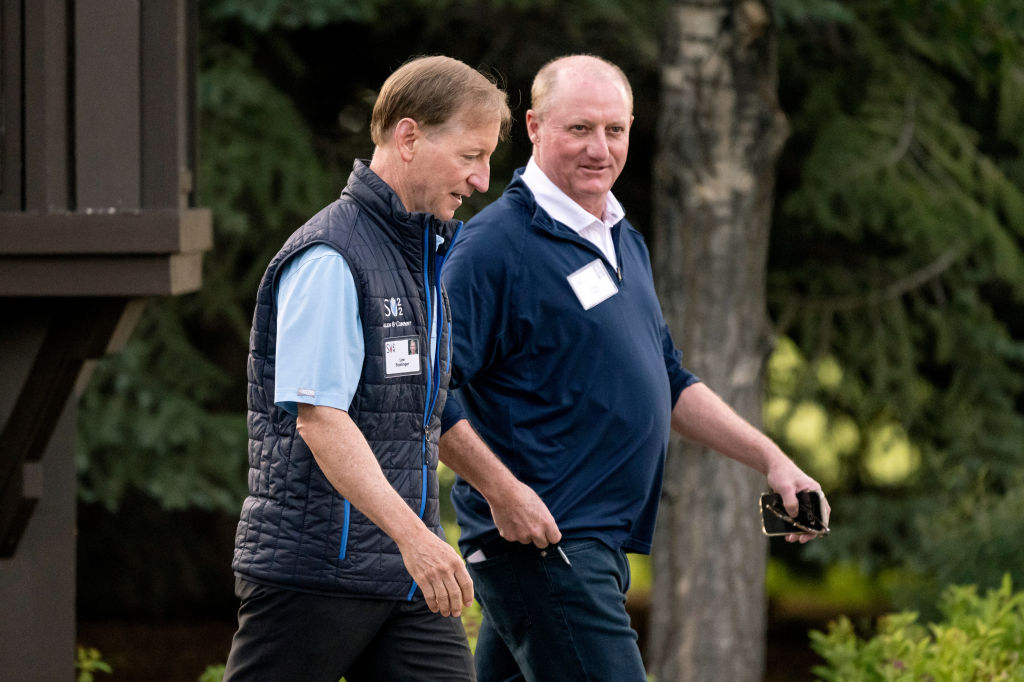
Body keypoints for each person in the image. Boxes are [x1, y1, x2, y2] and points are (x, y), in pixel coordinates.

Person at [437, 54, 830, 681]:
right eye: (580, 129)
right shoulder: (492, 248)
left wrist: (772, 459)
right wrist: (502, 493)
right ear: (534, 127)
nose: (600, 149)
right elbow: (430, 393)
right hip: (545, 545)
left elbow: (668, 378)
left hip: (593, 545)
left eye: (614, 130)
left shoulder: (619, 235)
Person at [223, 55, 511, 682]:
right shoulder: (331, 255)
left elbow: (418, 418)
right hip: (315, 573)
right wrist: (418, 541)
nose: (483, 180)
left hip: (406, 576)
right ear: (408, 137)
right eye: (470, 156)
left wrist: (499, 491)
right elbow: (321, 419)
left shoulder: (423, 258)